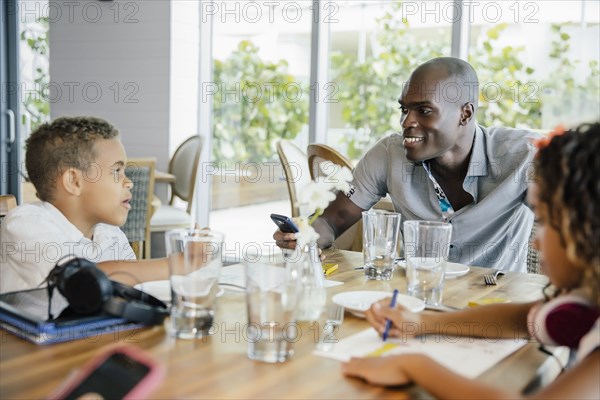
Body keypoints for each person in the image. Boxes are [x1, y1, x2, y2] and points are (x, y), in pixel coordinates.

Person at [341, 122, 600, 399]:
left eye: (544, 221)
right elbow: (524, 319)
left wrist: (414, 365)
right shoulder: (582, 309)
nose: (536, 241)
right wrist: (423, 322)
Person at [275, 57, 540, 272]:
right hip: (416, 301)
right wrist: (302, 239)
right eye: (404, 110)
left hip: (496, 306)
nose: (406, 122)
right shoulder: (389, 154)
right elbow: (332, 221)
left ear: (465, 113)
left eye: (424, 111)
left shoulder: (521, 157)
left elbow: (571, 227)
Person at [0, 116, 168, 293]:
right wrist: (177, 264)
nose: (129, 182)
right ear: (74, 181)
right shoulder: (26, 223)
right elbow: (81, 280)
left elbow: (134, 290)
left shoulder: (110, 234)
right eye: (117, 171)